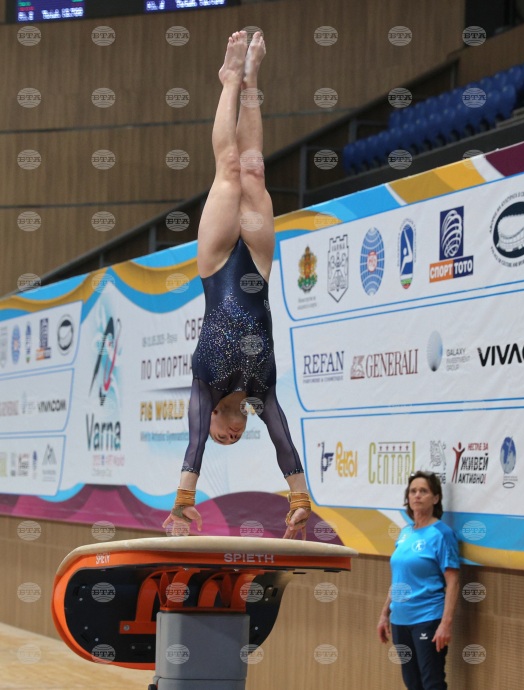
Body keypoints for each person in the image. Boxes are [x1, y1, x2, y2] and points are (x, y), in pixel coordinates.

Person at [162, 30, 310, 539]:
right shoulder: (262, 391)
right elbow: (283, 441)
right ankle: (251, 79)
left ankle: (228, 79)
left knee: (228, 169)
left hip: (217, 263)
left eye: (222, 437)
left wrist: (183, 503)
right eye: (237, 437)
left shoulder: (205, 387)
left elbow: (193, 446)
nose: (231, 434)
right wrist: (299, 499)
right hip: (259, 268)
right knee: (254, 169)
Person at [377, 471, 460, 690]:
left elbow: (453, 582)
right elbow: (399, 580)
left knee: (432, 683)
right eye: (413, 491)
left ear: (435, 498)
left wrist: (445, 624)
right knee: (412, 683)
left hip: (428, 619)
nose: (417, 495)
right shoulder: (405, 533)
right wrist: (385, 614)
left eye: (423, 491)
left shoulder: (442, 534)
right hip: (400, 621)